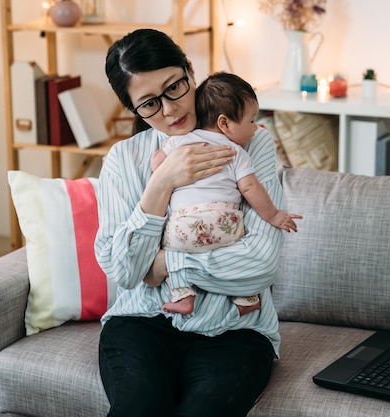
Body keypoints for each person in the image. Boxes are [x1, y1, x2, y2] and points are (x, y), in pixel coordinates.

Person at [96, 28, 285, 417]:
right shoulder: (124, 159)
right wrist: (162, 183)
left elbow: (261, 264)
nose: (169, 110)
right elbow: (123, 271)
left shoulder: (251, 141)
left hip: (235, 330)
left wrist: (167, 264)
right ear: (133, 110)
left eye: (174, 87)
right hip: (140, 324)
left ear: (190, 70)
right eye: (148, 104)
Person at [151, 71, 302, 316]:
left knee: (171, 250)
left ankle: (183, 295)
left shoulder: (179, 143)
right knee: (237, 249)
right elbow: (251, 188)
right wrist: (273, 216)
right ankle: (246, 298)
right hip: (226, 226)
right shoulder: (236, 153)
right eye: (251, 121)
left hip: (184, 229)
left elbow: (158, 168)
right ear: (224, 123)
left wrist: (158, 160)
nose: (255, 128)